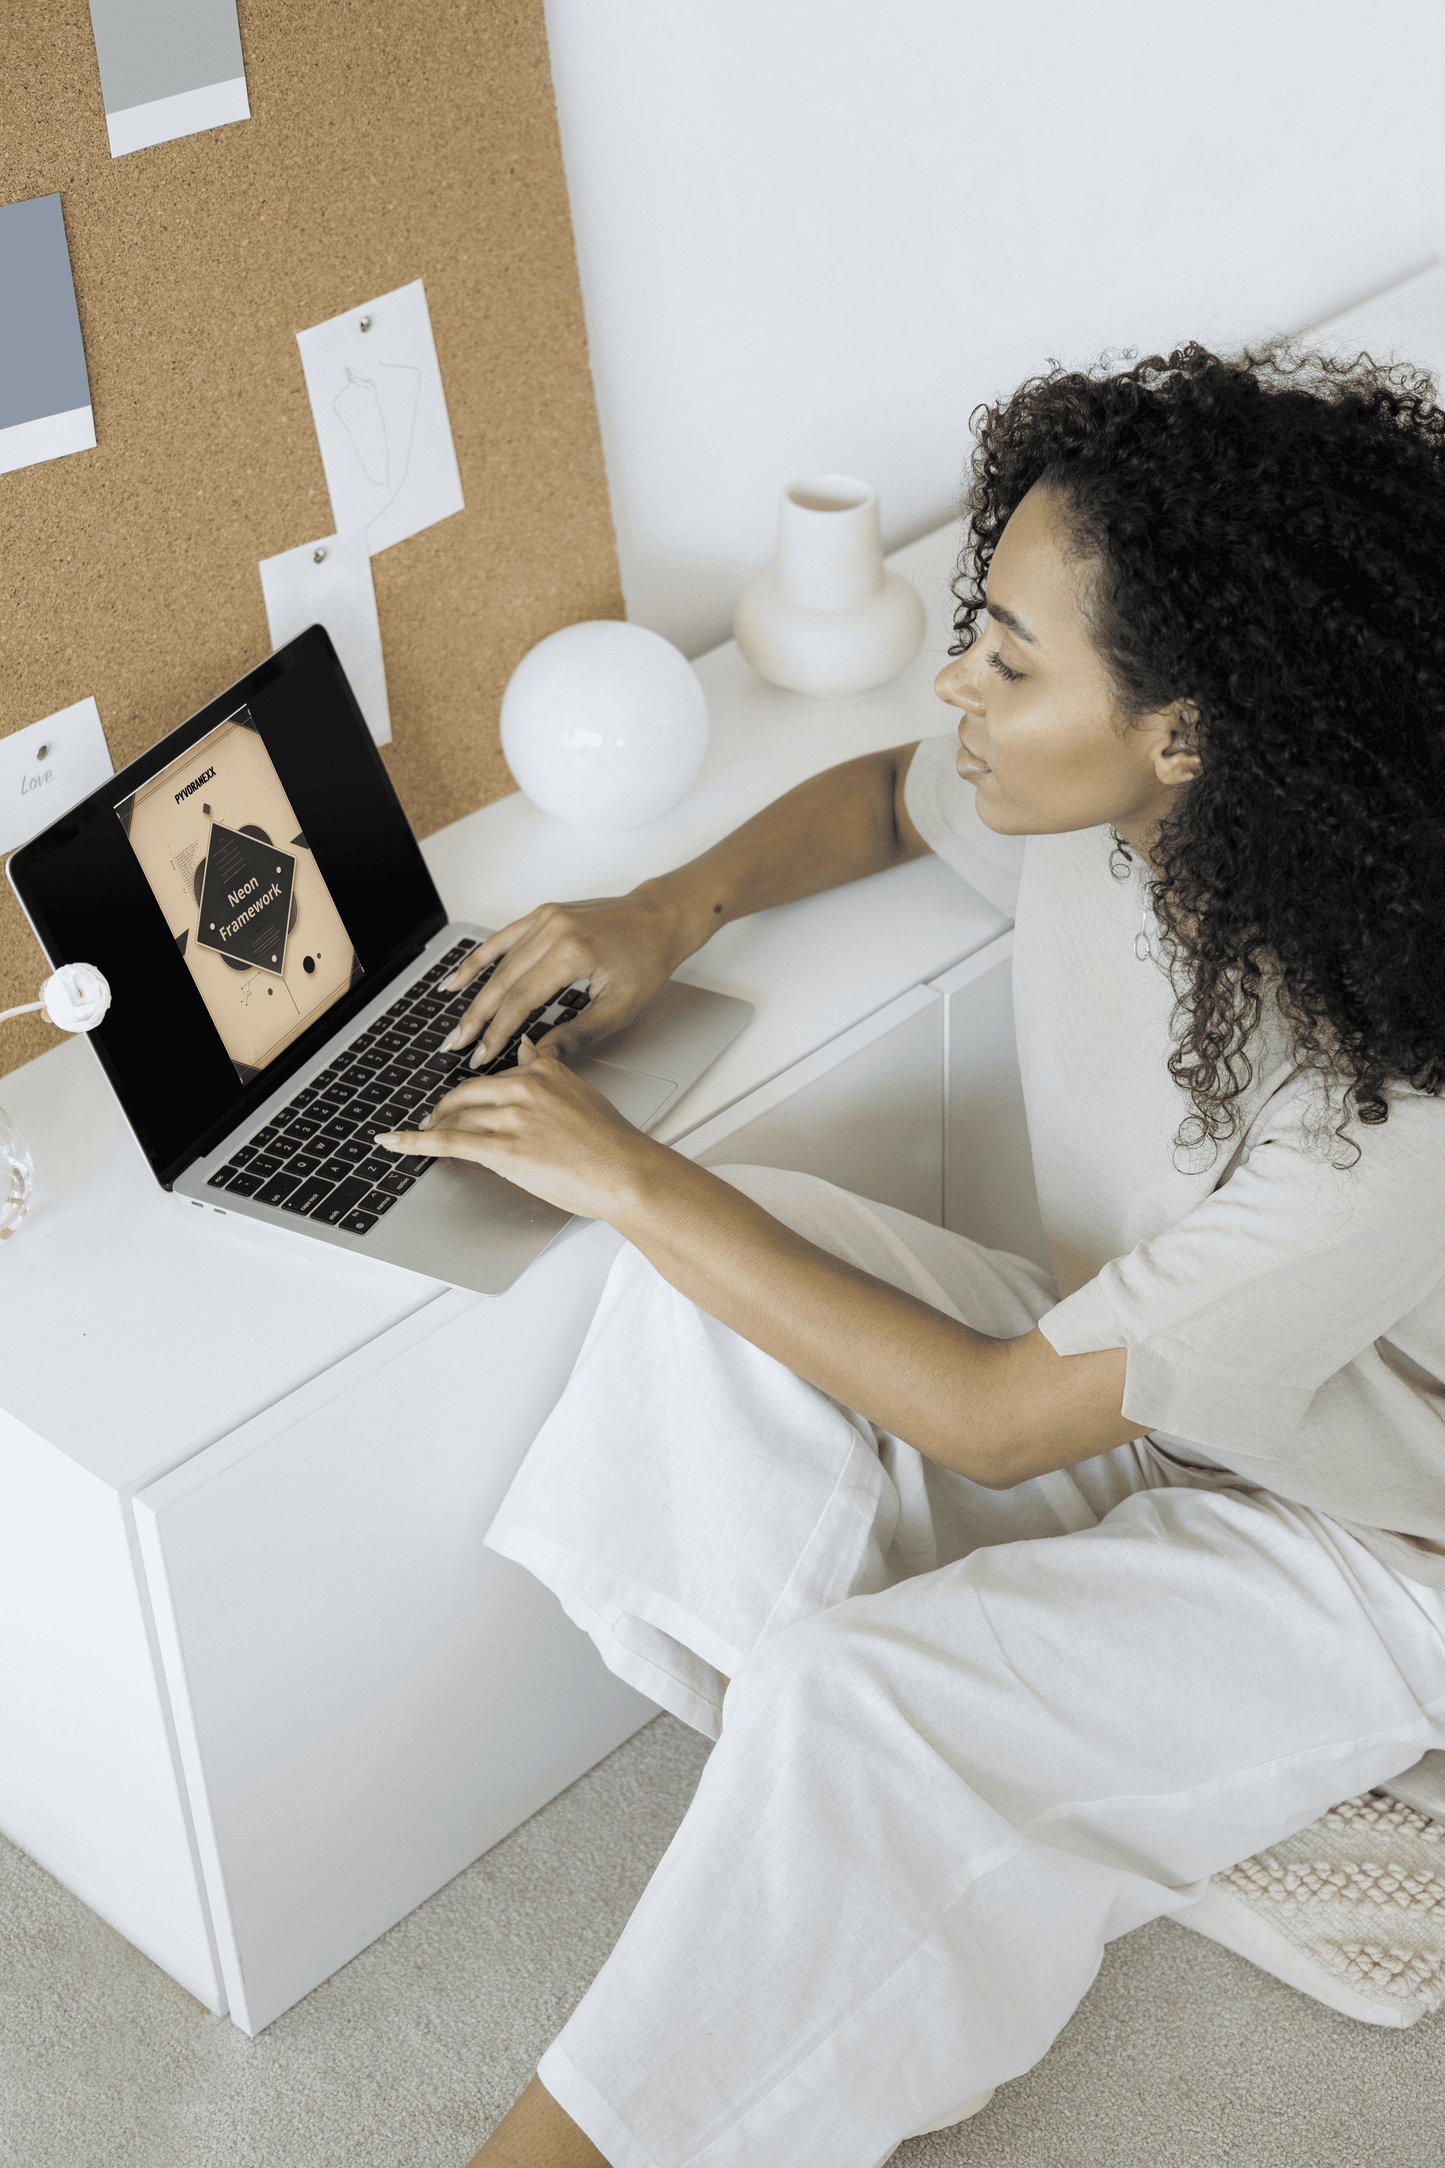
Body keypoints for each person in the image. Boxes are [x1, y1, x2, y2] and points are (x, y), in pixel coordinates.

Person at [376, 343, 1445, 2168]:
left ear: (1188, 725)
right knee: (731, 1268)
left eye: (1011, 663)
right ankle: (873, 1842)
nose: (955, 680)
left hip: (1366, 1541)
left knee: (856, 1693)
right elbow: (884, 793)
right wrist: (665, 905)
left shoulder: (1394, 1094)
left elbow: (996, 1422)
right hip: (1136, 1378)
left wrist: (626, 1169)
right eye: (977, 626)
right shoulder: (1117, 816)